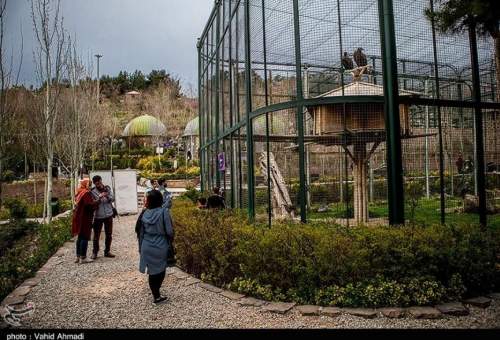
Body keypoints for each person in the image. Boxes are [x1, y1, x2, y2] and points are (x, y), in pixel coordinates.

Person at [136, 190, 174, 304]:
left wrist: (140, 247)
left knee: (152, 271)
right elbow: (169, 231)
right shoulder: (164, 212)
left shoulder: (144, 213)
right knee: (161, 269)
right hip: (161, 244)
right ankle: (157, 294)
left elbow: (140, 232)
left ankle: (156, 295)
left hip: (146, 245)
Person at [71, 178, 100, 264]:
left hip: (79, 217)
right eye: (89, 184)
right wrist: (98, 201)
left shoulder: (79, 192)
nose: (90, 186)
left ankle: (78, 256)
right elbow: (89, 205)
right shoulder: (86, 193)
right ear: (86, 184)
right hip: (85, 218)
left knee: (80, 237)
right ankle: (83, 257)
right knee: (84, 237)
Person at [90, 175, 116, 259]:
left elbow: (113, 199)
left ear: (101, 181)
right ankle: (95, 252)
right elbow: (92, 203)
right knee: (96, 235)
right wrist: (99, 198)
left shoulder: (107, 188)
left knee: (109, 234)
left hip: (108, 215)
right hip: (98, 216)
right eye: (96, 183)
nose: (98, 184)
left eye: (99, 182)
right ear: (94, 183)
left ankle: (107, 251)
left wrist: (107, 196)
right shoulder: (92, 191)